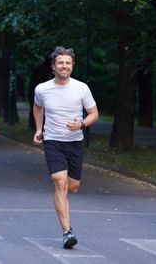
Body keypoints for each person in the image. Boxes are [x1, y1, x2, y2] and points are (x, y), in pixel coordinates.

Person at [33, 46, 99, 249]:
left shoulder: (81, 88)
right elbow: (37, 107)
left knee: (73, 187)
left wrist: (81, 124)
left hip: (75, 142)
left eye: (67, 63)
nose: (64, 66)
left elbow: (94, 113)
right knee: (60, 183)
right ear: (53, 66)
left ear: (72, 66)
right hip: (53, 142)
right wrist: (38, 129)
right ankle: (67, 232)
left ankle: (65, 213)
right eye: (60, 62)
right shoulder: (42, 89)